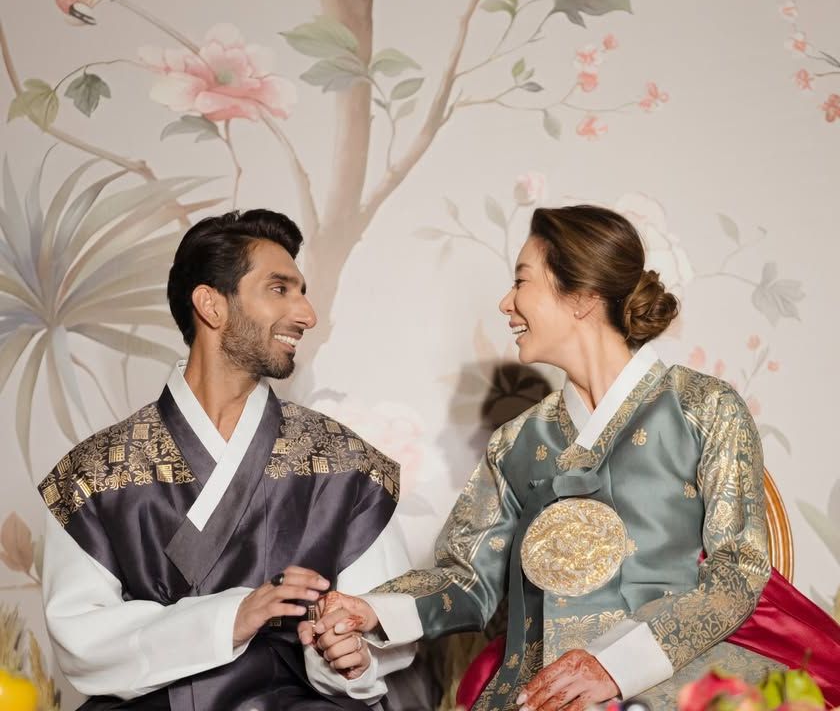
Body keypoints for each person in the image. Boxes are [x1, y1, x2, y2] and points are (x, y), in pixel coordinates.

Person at [301, 206, 840, 711]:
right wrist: (372, 610)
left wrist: (615, 668)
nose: (505, 303)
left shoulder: (704, 407)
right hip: (535, 689)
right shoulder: (515, 443)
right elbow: (467, 580)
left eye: (521, 281)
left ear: (581, 296)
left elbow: (738, 570)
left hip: (670, 676)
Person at [38, 210, 416, 711]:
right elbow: (82, 642)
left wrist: (347, 655)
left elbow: (378, 623)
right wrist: (231, 617)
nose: (307, 314)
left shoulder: (347, 465)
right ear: (211, 304)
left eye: (302, 292)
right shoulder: (93, 473)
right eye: (279, 289)